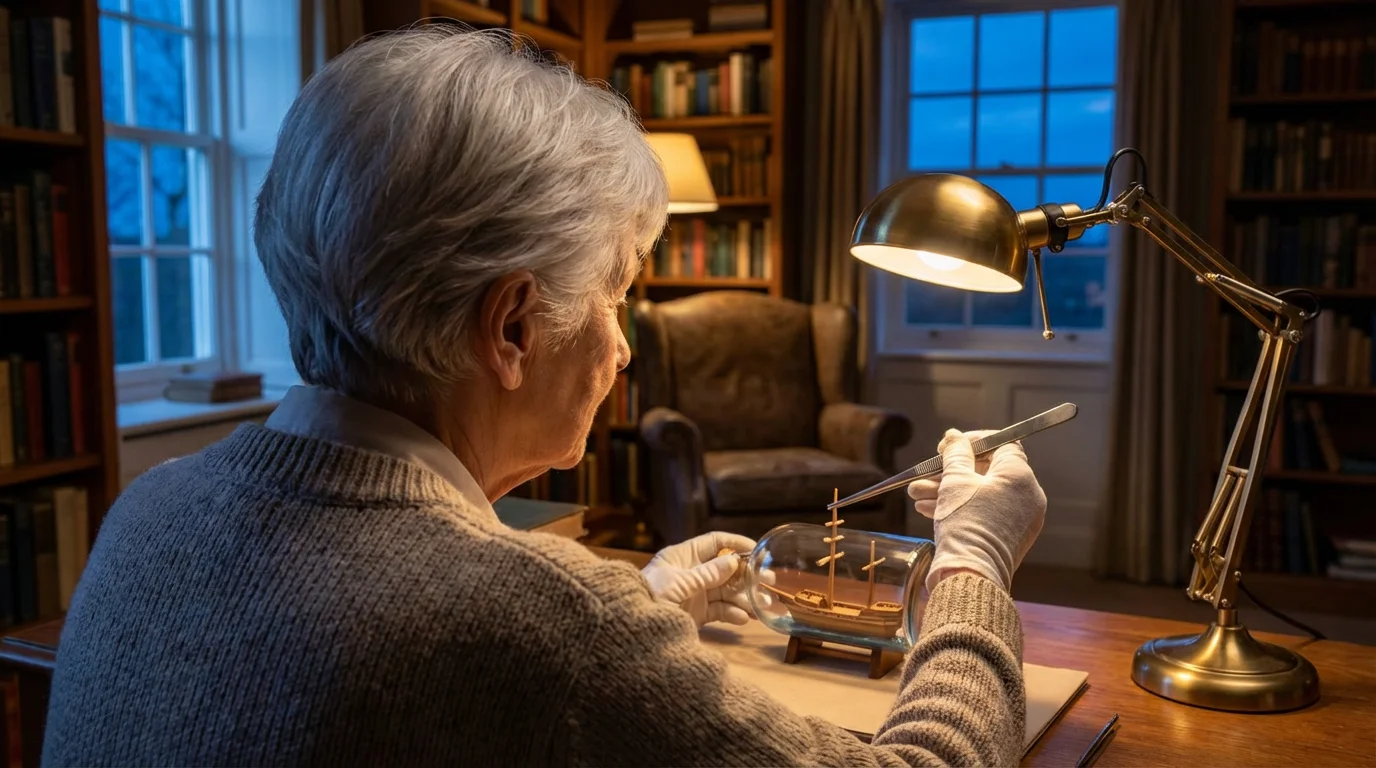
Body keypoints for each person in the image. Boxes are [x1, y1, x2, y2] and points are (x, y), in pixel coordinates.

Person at [41, 27, 1047, 767]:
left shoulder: (148, 514)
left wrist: (638, 610)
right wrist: (972, 559)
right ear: (513, 327)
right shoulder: (542, 624)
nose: (619, 349)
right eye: (616, 292)